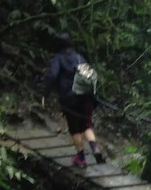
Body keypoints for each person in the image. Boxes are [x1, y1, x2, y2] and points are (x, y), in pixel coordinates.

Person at [42, 32, 104, 168]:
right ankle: (95, 149)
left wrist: (45, 94)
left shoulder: (58, 59)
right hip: (86, 97)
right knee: (87, 125)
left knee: (75, 129)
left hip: (70, 99)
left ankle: (81, 159)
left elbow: (52, 76)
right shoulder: (79, 57)